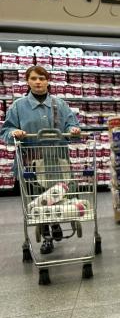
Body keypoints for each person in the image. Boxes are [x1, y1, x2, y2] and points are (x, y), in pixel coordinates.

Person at [0, 65, 82, 254]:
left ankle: (54, 224)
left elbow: (72, 124)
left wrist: (74, 130)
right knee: (38, 200)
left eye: (42, 78)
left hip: (57, 163)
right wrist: (14, 132)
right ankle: (47, 237)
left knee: (56, 197)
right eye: (34, 78)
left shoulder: (59, 104)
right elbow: (5, 131)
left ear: (48, 81)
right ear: (28, 81)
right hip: (31, 164)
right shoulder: (18, 106)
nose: (38, 82)